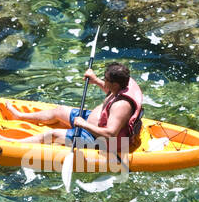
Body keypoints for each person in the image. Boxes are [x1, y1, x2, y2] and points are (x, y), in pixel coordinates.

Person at [11, 62, 144, 159]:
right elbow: (111, 91)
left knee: (53, 135)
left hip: (100, 139)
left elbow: (110, 134)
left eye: (106, 79)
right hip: (93, 122)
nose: (104, 80)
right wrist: (96, 80)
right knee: (59, 110)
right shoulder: (123, 83)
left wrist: (83, 124)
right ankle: (21, 116)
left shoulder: (121, 106)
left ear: (115, 83)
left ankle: (13, 144)